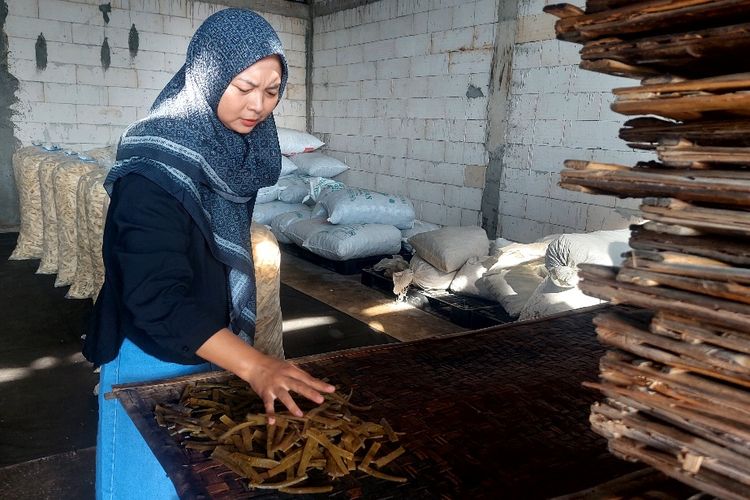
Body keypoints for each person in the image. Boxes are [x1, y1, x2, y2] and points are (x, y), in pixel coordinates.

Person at [83, 9, 335, 499]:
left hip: (209, 347)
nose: (258, 105)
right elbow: (153, 296)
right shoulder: (153, 166)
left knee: (197, 480)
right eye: (244, 87)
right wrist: (256, 366)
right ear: (206, 75)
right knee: (148, 487)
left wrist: (237, 359)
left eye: (272, 90)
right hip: (148, 354)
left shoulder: (234, 150)